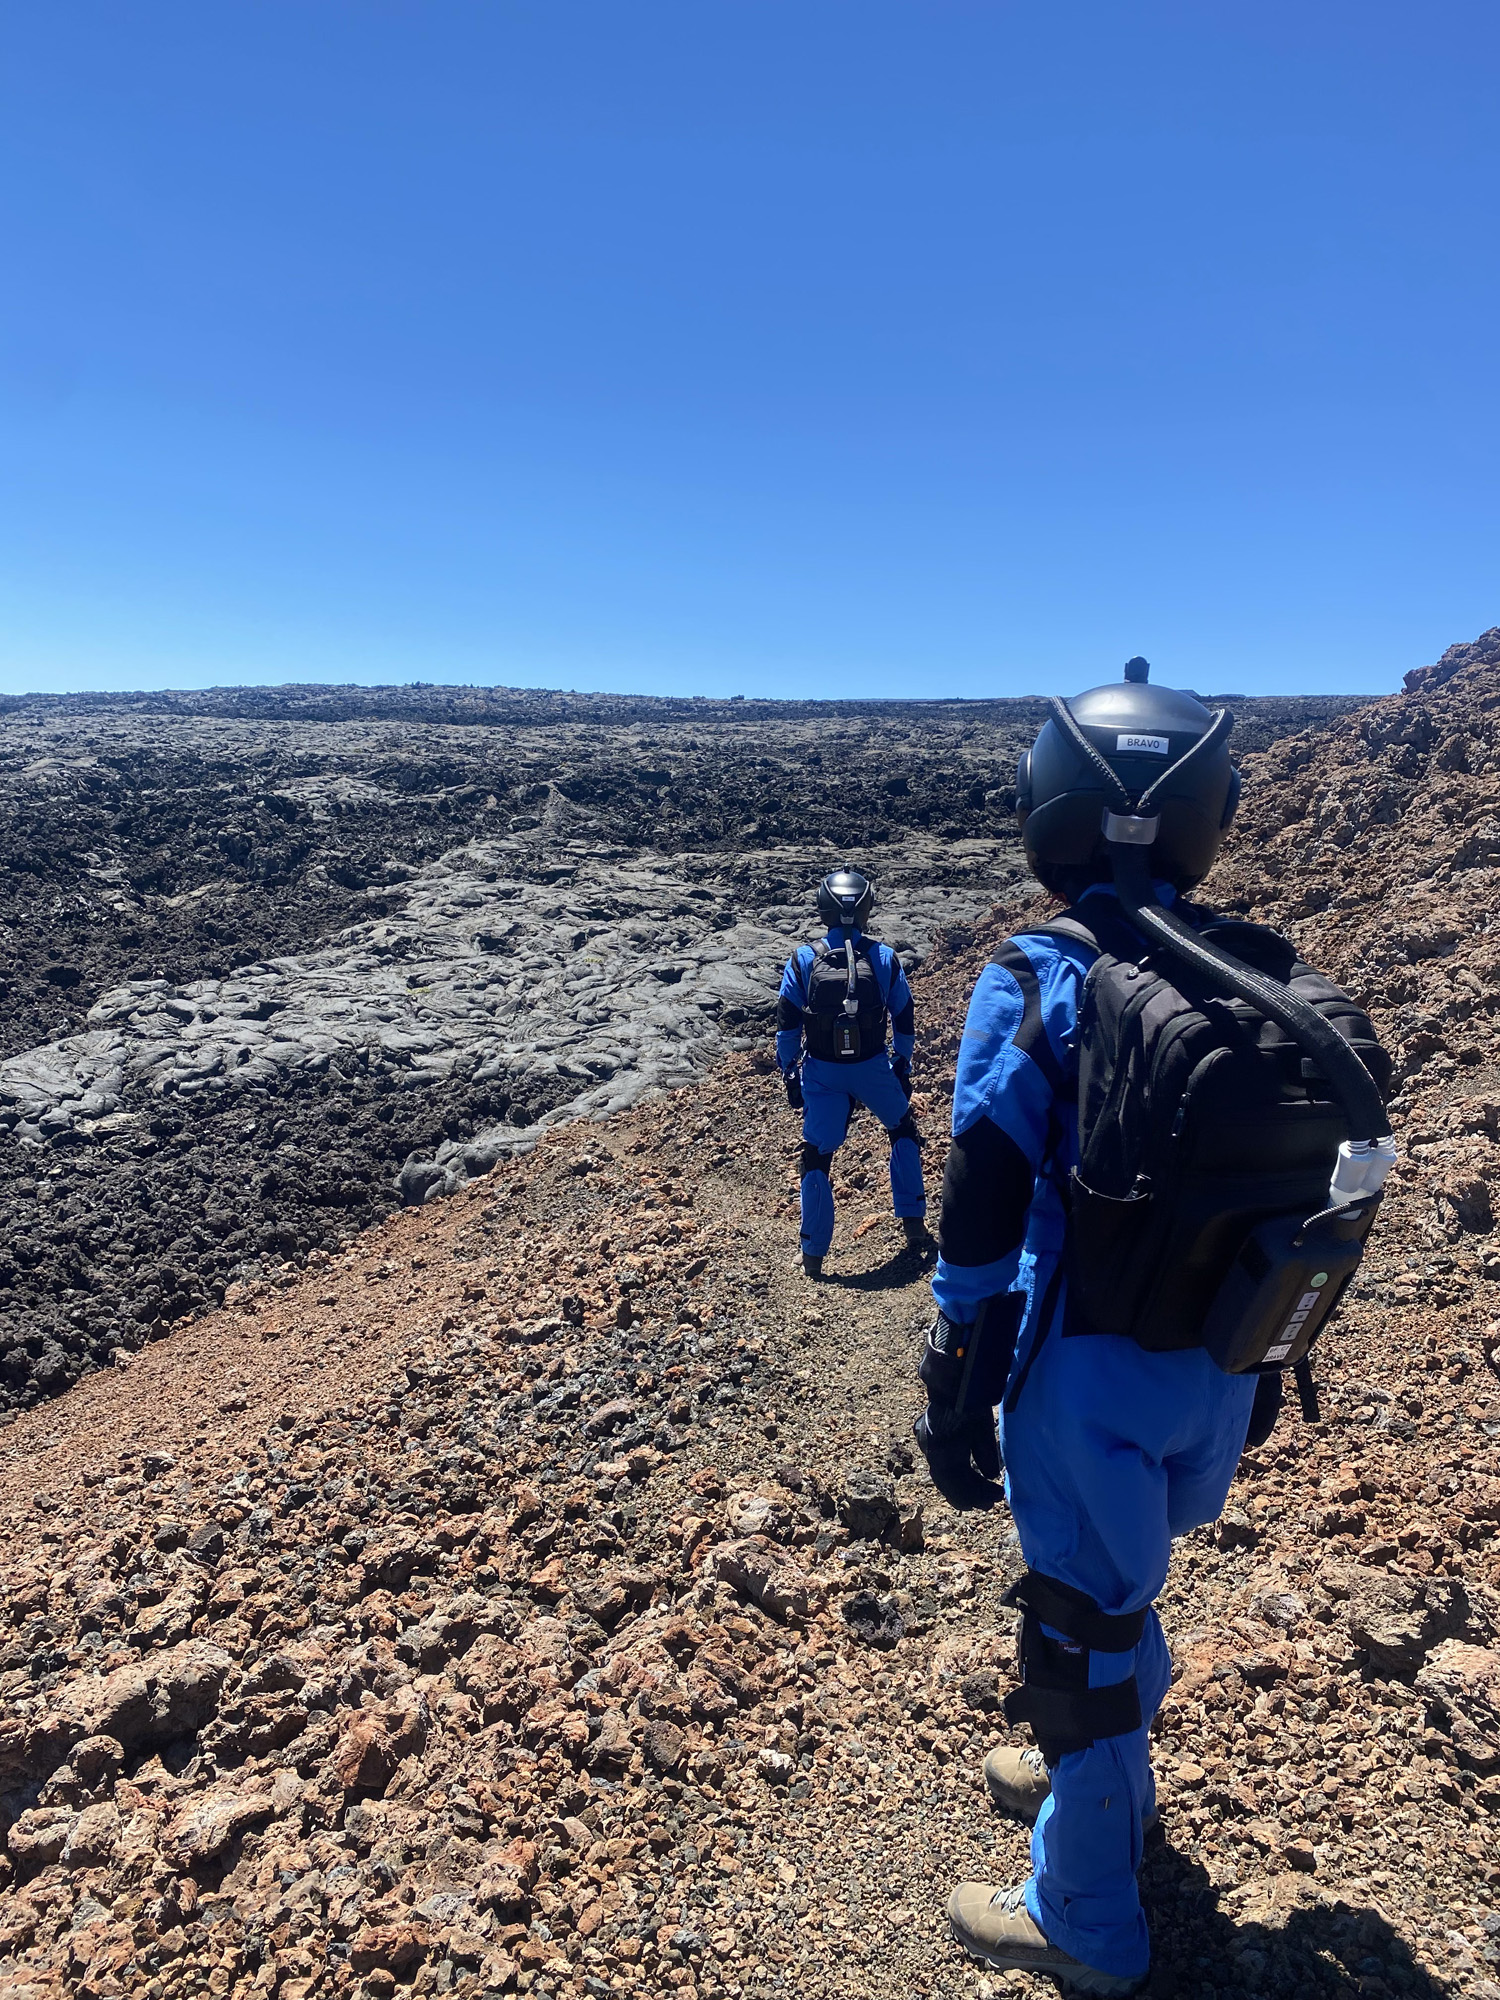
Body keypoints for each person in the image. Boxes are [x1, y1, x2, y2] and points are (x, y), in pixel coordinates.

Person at [917, 661, 1389, 1995]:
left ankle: (1088, 1921)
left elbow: (982, 1197)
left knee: (1079, 1636)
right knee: (1123, 1599)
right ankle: (1102, 1763)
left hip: (1086, 1380)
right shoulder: (1262, 973)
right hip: (1222, 1374)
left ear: (1053, 813)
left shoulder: (1038, 978)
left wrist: (959, 1368)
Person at [776, 868, 928, 1278]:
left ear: (823, 906)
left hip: (823, 1071)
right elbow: (905, 1014)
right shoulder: (882, 958)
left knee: (817, 1155)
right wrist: (903, 1063)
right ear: (866, 909)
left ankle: (813, 1257)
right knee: (902, 1130)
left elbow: (788, 1023)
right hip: (873, 1066)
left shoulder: (803, 958)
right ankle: (914, 1226)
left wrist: (788, 1070)